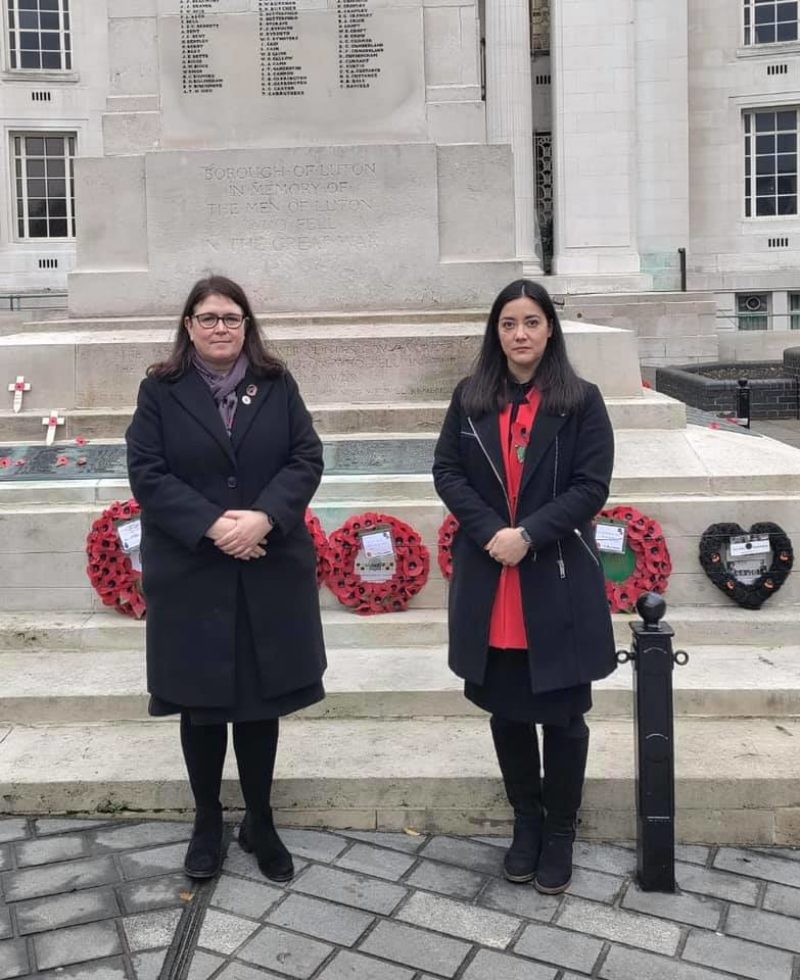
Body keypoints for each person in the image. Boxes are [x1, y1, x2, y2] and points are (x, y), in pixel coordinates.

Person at [126, 274, 326, 883]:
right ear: (188, 326)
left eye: (231, 318)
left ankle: (260, 820)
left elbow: (306, 457)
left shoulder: (276, 383)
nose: (220, 328)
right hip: (194, 574)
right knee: (202, 706)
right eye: (208, 318)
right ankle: (208, 820)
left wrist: (264, 517)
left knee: (260, 705)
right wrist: (215, 526)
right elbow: (148, 472)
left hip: (267, 568)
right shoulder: (161, 389)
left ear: (248, 326)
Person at [432, 279, 616, 894]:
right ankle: (527, 822)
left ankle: (560, 831)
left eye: (531, 322)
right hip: (493, 581)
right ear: (496, 332)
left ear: (549, 329)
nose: (520, 335)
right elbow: (447, 471)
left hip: (554, 579)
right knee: (507, 713)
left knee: (563, 718)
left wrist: (529, 534)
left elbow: (591, 486)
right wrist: (492, 533)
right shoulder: (472, 397)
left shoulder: (581, 400)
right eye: (509, 324)